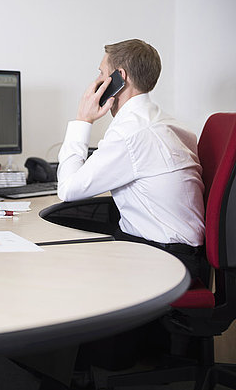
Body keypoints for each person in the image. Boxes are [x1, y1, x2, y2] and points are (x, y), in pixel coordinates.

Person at [57, 38, 206, 280]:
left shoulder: (131, 132)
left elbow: (67, 190)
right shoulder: (163, 121)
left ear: (119, 78)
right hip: (179, 255)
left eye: (101, 74)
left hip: (164, 261)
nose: (96, 83)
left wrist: (83, 120)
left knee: (63, 266)